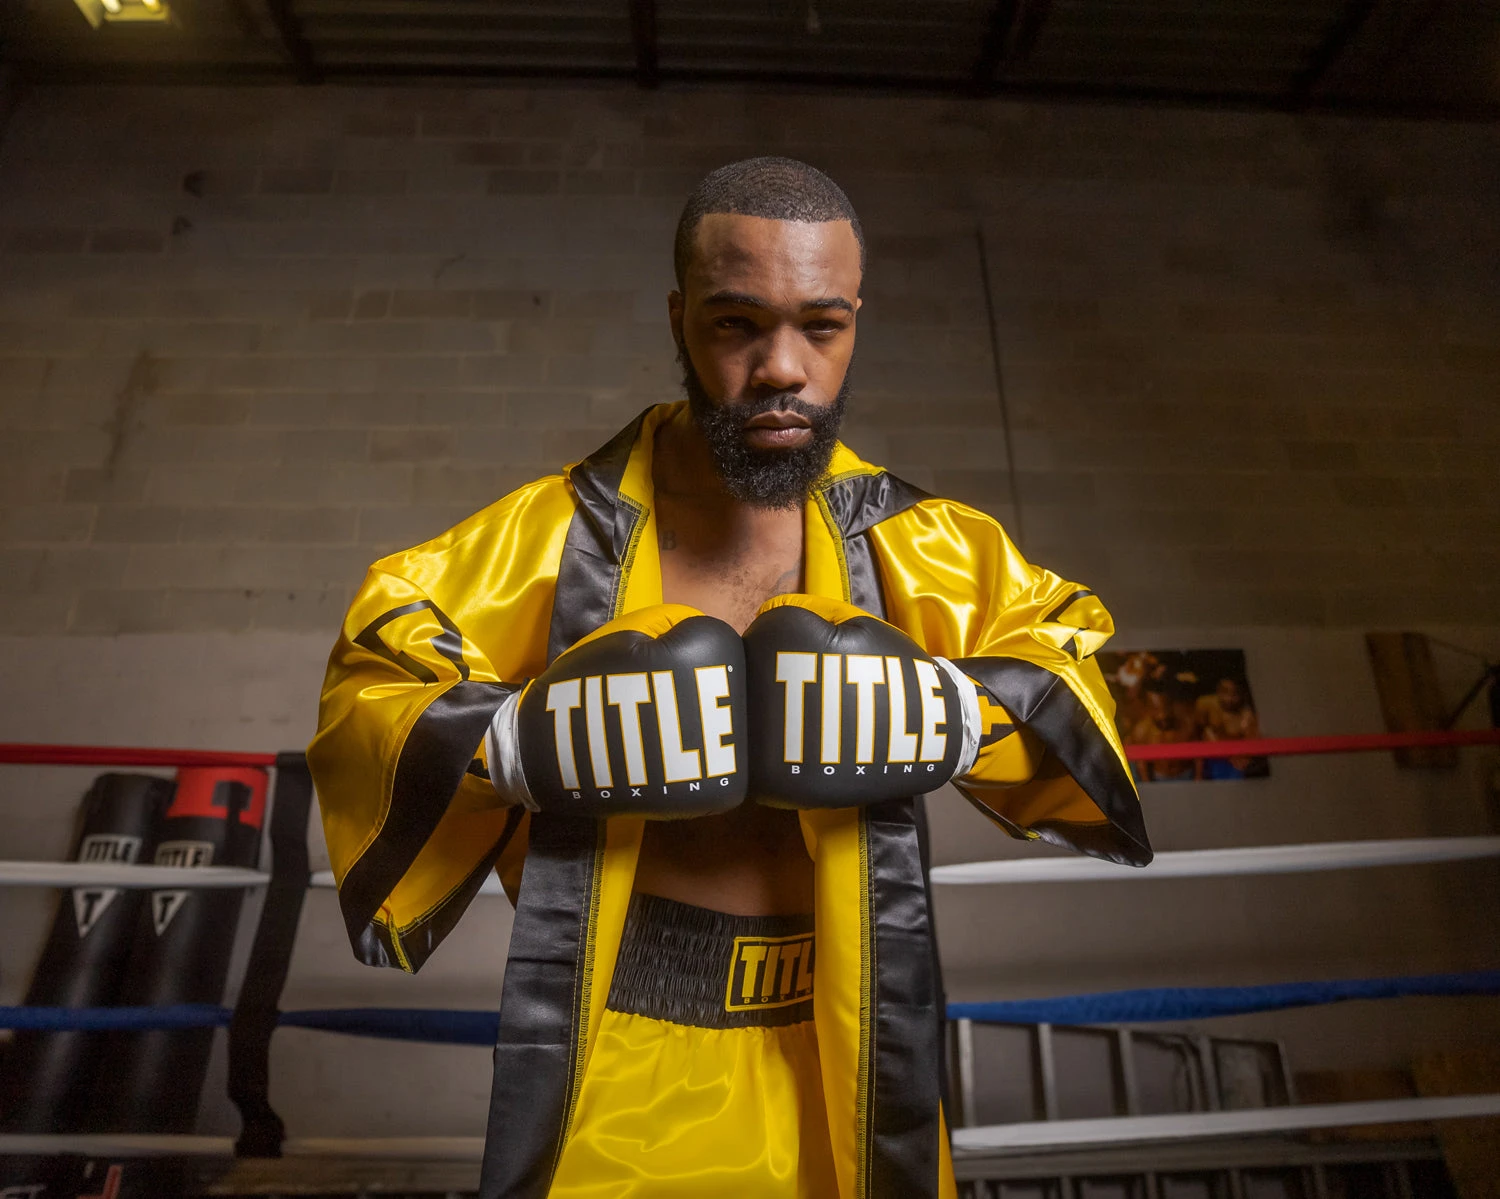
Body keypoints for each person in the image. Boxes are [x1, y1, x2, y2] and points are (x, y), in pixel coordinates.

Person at [309, 157, 1152, 1199]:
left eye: (821, 326)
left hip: (848, 1045)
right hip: (614, 1062)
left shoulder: (919, 543)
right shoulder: (557, 536)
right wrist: (515, 743)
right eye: (736, 324)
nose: (781, 367)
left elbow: (1070, 658)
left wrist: (957, 713)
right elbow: (377, 673)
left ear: (856, 322)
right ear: (681, 319)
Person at [1195, 676, 1264, 779]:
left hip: (1236, 761)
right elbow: (1199, 737)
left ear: (1242, 694)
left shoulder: (1247, 715)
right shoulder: (1205, 704)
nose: (1229, 698)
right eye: (1225, 692)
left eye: (1235, 694)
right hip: (1211, 757)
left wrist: (1237, 756)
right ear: (1218, 691)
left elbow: (1251, 746)